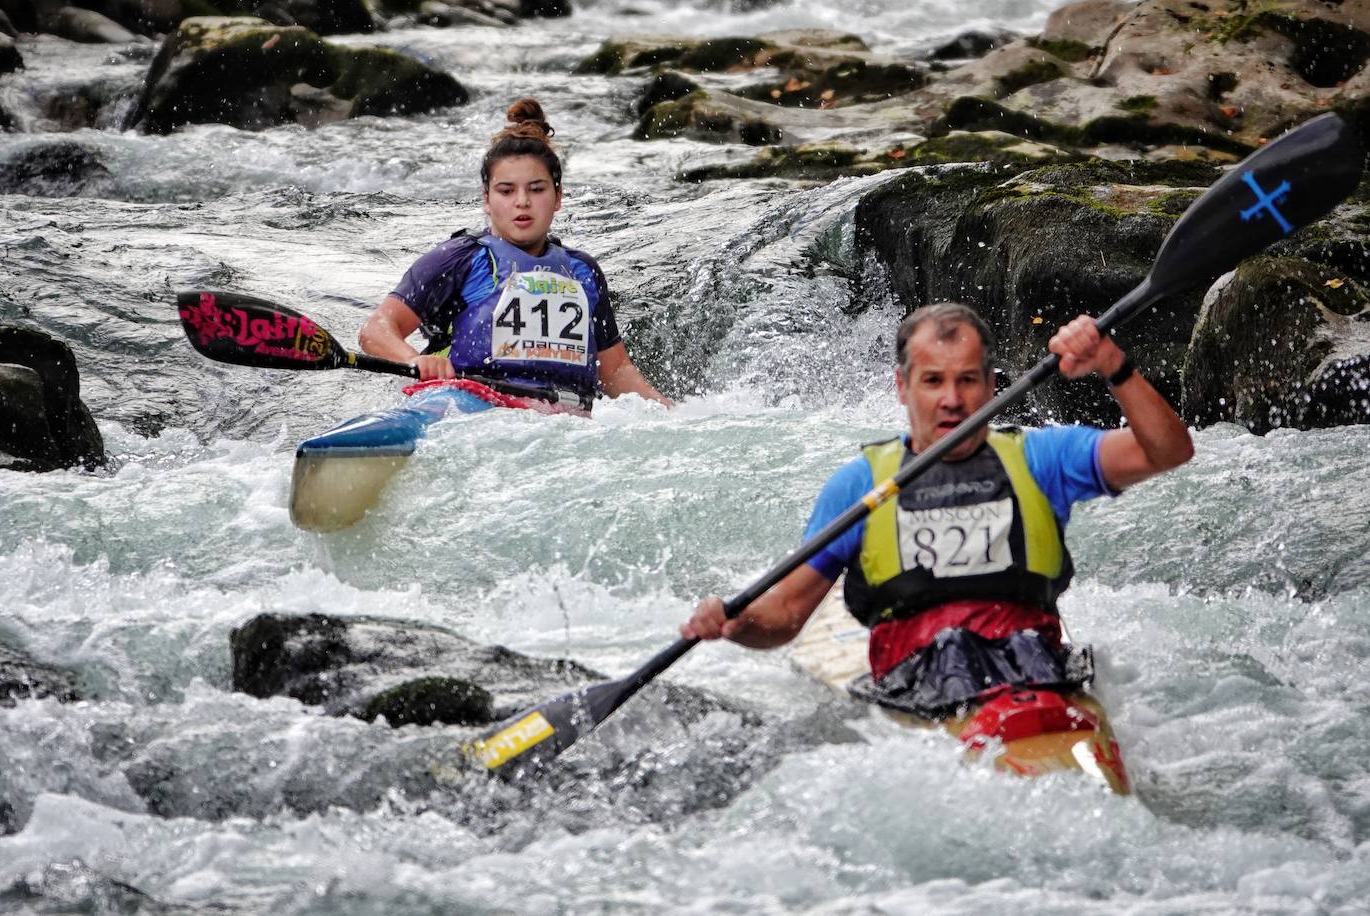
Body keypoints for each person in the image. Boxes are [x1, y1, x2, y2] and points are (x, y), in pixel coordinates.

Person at [681, 302, 1194, 711]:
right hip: (916, 692)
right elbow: (789, 614)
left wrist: (1114, 366)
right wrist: (734, 622)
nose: (952, 399)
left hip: (1038, 676)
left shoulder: (1043, 460)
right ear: (903, 388)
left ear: (993, 386)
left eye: (967, 379)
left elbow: (1167, 451)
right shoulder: (861, 485)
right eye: (933, 381)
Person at [359, 98, 671, 412]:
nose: (522, 202)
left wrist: (672, 415)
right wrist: (414, 360)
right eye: (506, 191)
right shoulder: (457, 260)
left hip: (565, 418)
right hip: (465, 406)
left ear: (558, 197)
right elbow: (377, 329)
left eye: (536, 189)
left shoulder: (583, 271)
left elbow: (616, 371)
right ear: (486, 199)